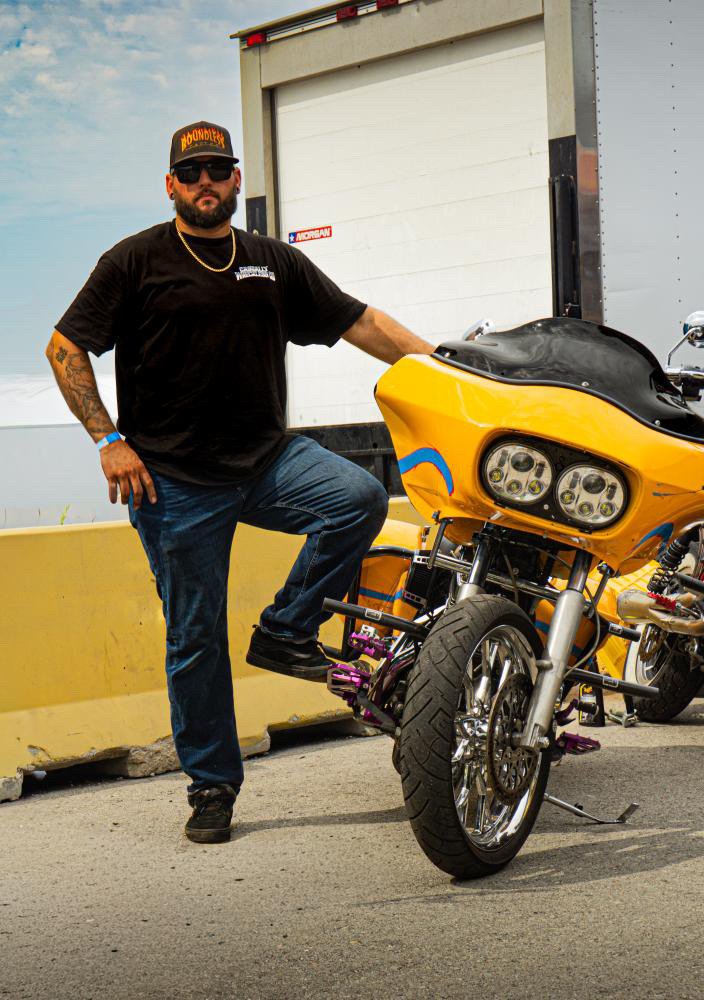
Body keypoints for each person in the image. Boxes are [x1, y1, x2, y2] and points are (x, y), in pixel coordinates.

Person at [45, 120, 434, 844]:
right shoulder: (134, 261)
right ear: (170, 185)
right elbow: (66, 346)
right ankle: (213, 786)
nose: (204, 185)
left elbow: (360, 321)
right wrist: (108, 440)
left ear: (235, 183)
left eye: (217, 172)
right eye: (190, 174)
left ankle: (286, 629)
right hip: (174, 482)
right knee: (194, 637)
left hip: (266, 460)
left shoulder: (270, 262)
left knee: (357, 498)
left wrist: (439, 364)